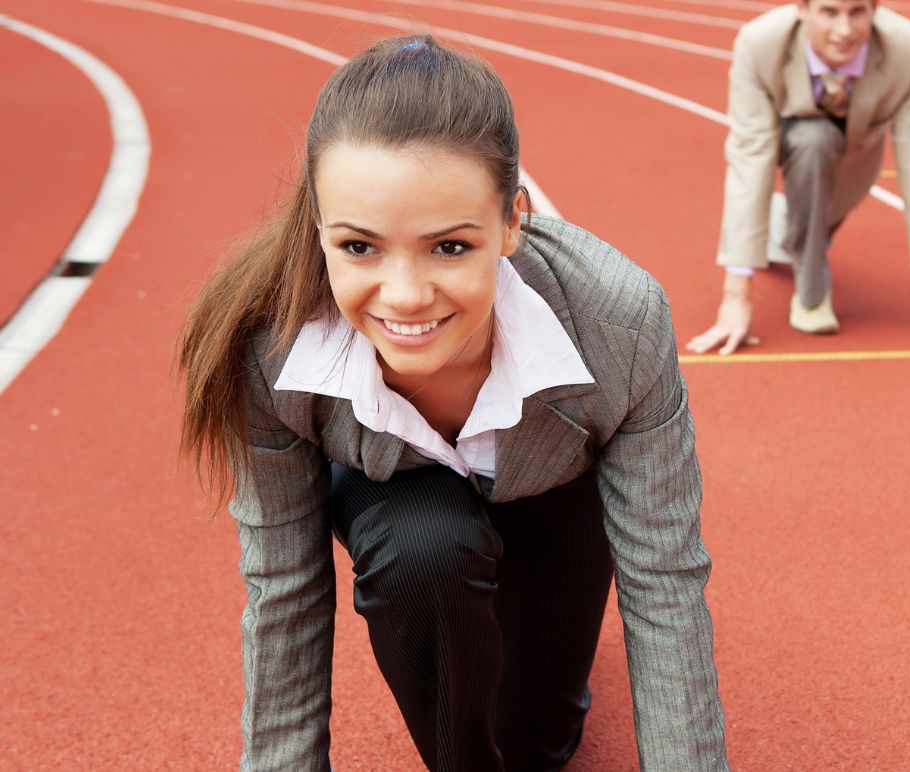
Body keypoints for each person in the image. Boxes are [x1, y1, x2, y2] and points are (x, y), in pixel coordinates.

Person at [176, 35, 728, 771]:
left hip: (554, 501)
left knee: (539, 747)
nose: (404, 295)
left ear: (512, 222)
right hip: (404, 510)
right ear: (320, 232)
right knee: (422, 550)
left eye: (450, 248)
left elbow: (664, 581)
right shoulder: (269, 349)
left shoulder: (619, 326)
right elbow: (283, 592)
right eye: (360, 247)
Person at [687, 0, 910, 356]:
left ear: (875, 9)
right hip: (796, 146)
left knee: (802, 228)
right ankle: (812, 295)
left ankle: (784, 223)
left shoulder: (907, 47)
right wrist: (736, 295)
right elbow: (749, 160)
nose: (844, 31)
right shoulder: (759, 45)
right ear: (802, 8)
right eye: (829, 12)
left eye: (857, 12)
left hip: (859, 155)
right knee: (812, 140)